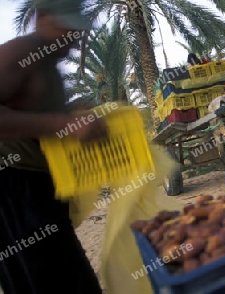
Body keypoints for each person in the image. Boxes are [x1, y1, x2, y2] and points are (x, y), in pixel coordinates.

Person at [0, 0, 107, 293]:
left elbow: (32, 115)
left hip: (39, 188)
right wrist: (62, 125)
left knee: (71, 278)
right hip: (14, 190)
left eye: (77, 30)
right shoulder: (19, 53)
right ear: (41, 17)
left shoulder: (47, 64)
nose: (74, 37)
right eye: (67, 28)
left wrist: (72, 113)